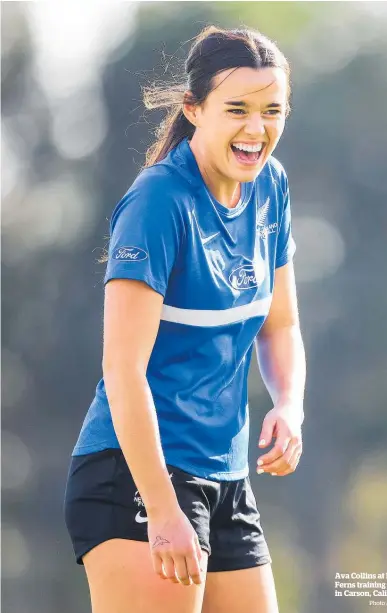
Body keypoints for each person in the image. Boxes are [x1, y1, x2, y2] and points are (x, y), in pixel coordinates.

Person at [64, 24, 306, 613]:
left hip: (225, 481)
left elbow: (281, 326)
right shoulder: (158, 204)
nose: (257, 128)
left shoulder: (271, 187)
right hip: (136, 476)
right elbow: (123, 371)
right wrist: (163, 508)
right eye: (238, 110)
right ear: (194, 109)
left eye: (272, 110)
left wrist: (288, 403)